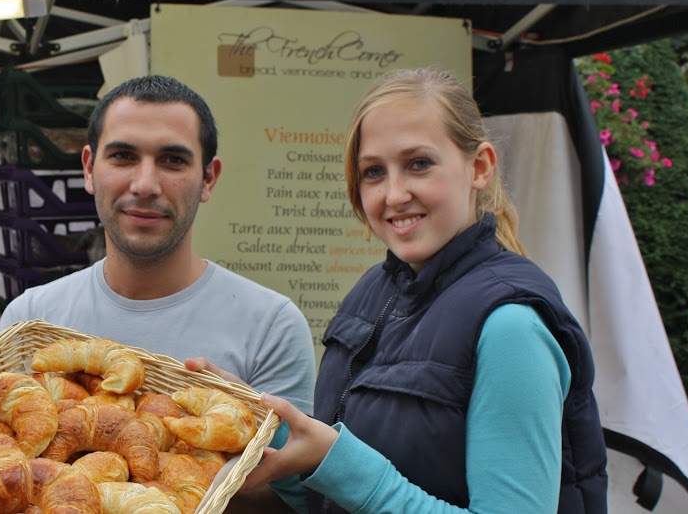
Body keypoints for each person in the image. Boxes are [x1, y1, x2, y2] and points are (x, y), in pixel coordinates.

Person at [241, 68, 607, 513]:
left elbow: (358, 481)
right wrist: (254, 421)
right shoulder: (371, 294)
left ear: (479, 167)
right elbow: (329, 498)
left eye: (419, 164)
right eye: (374, 172)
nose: (394, 194)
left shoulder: (512, 326)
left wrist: (341, 464)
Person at [0, 74, 317, 511]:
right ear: (89, 168)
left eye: (172, 161)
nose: (145, 184)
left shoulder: (271, 324)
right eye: (124, 156)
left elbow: (296, 498)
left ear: (208, 178)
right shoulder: (31, 317)